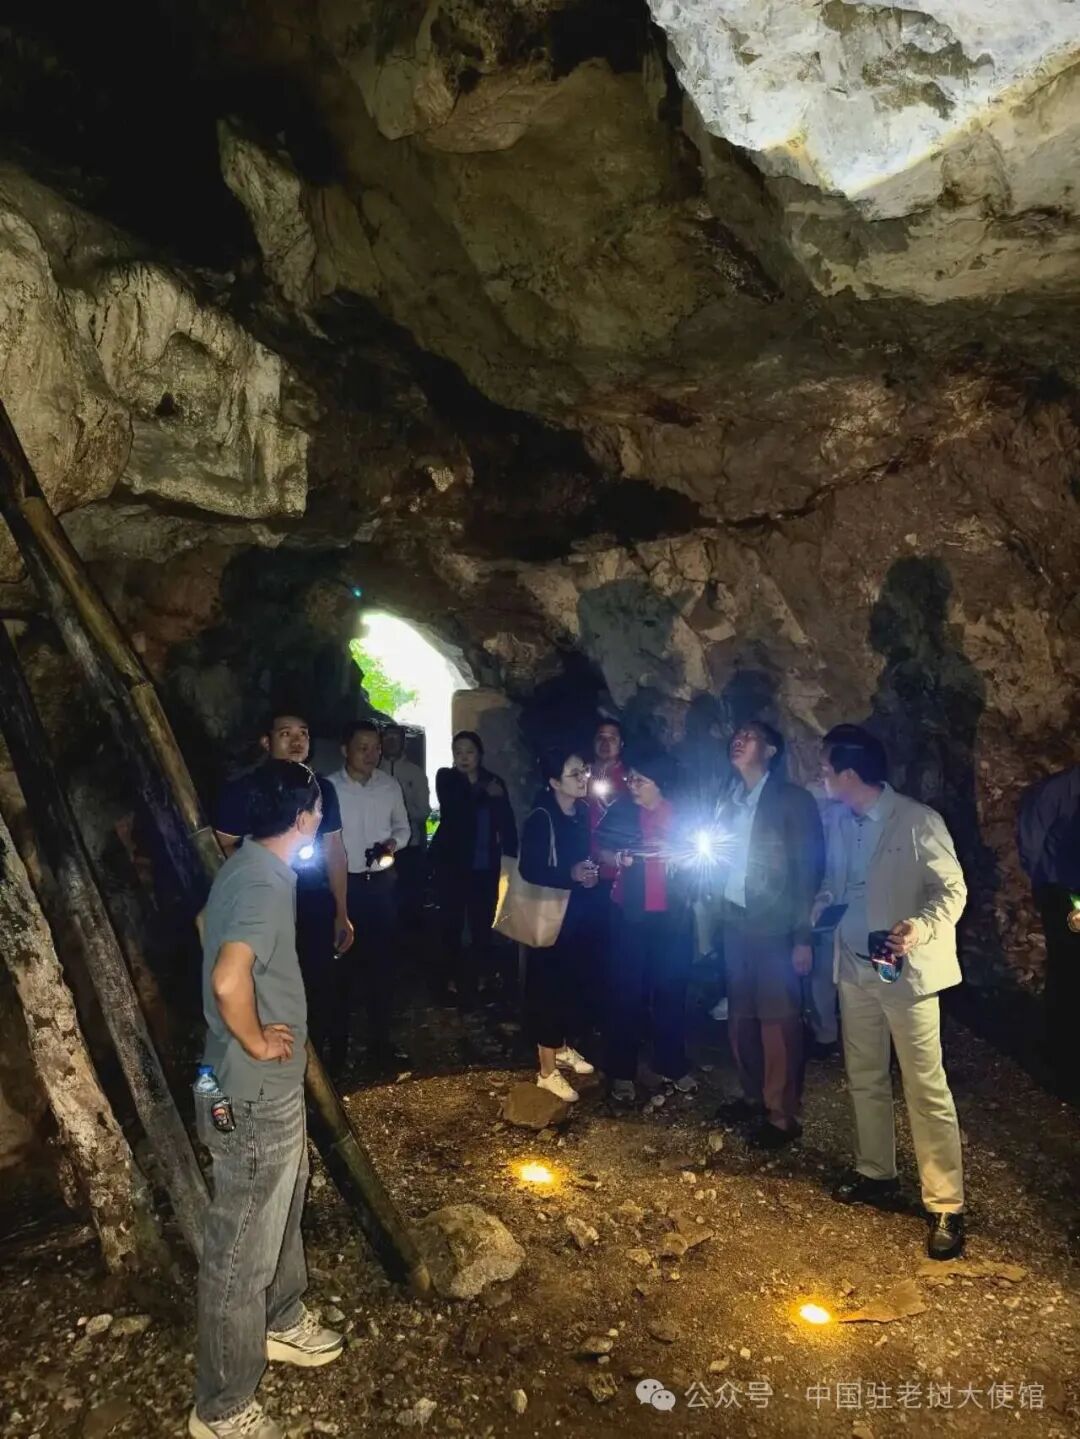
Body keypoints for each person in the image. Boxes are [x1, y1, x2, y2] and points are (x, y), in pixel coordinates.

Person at [193, 760, 343, 1439]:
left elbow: (206, 924)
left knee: (285, 1197)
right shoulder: (262, 880)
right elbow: (229, 979)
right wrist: (253, 1036)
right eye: (318, 807)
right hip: (252, 1092)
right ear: (304, 818)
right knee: (241, 1246)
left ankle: (280, 1318)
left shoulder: (249, 862)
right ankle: (221, 1407)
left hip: (253, 1085)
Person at [819, 723, 967, 1260]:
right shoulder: (841, 822)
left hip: (905, 972)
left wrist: (917, 929)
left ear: (849, 774)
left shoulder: (917, 821)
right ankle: (876, 1172)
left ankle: (946, 1204)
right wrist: (823, 906)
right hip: (855, 968)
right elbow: (836, 884)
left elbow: (952, 890)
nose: (822, 776)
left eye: (826, 768)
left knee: (925, 1086)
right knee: (864, 1075)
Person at [213, 713, 353, 1062]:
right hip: (265, 899)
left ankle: (325, 1059)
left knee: (319, 977)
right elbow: (220, 845)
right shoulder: (245, 790)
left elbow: (334, 849)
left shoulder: (322, 790)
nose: (296, 741)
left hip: (312, 897)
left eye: (303, 733)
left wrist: (341, 910)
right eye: (286, 733)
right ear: (267, 741)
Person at [714, 722, 824, 1148]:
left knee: (778, 1020)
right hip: (736, 921)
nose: (738, 740)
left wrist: (802, 936)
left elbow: (807, 871)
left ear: (772, 750)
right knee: (740, 1016)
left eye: (750, 736)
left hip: (776, 925)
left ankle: (781, 1115)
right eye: (736, 735)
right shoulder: (729, 801)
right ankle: (752, 1095)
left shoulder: (792, 801)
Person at [597, 745, 696, 1103]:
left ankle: (671, 1062)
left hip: (673, 916)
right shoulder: (623, 810)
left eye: (640, 780)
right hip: (630, 915)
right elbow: (600, 848)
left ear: (660, 783)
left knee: (671, 989)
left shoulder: (682, 814)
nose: (633, 785)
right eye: (631, 779)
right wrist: (618, 858)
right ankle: (621, 1070)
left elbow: (704, 857)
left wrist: (681, 858)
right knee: (626, 992)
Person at [329, 721, 411, 1073]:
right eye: (362, 747)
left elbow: (403, 827)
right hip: (341, 884)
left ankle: (380, 1043)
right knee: (340, 967)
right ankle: (337, 1048)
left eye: (376, 747)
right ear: (345, 749)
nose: (371, 754)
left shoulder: (388, 786)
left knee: (382, 964)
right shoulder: (328, 788)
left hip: (379, 883)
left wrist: (392, 843)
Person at [521, 747, 601, 1101]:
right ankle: (546, 1070)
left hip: (576, 913)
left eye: (584, 771)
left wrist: (587, 876)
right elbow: (529, 869)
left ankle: (562, 1046)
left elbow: (581, 860)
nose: (583, 778)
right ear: (554, 782)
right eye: (574, 774)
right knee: (547, 988)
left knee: (570, 983)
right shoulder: (541, 817)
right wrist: (569, 873)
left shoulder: (580, 813)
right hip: (548, 914)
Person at [430, 731, 518, 1005]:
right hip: (453, 866)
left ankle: (482, 979)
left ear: (479, 754)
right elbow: (455, 808)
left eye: (469, 751)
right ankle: (449, 981)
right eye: (458, 752)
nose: (463, 757)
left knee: (482, 924)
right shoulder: (447, 778)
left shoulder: (494, 782)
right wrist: (483, 791)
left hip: (485, 866)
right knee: (451, 925)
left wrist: (511, 856)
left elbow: (506, 821)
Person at [1017, 763, 1080, 1099]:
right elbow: (1031, 844)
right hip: (1064, 896)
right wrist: (1049, 889)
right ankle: (1063, 1058)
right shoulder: (1055, 792)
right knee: (1067, 974)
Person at [379, 724, 431, 931]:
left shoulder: (414, 773)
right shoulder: (374, 770)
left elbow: (424, 810)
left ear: (404, 742)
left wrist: (399, 813)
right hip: (379, 844)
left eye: (396, 738)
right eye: (387, 737)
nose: (391, 742)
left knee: (409, 898)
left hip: (409, 846)